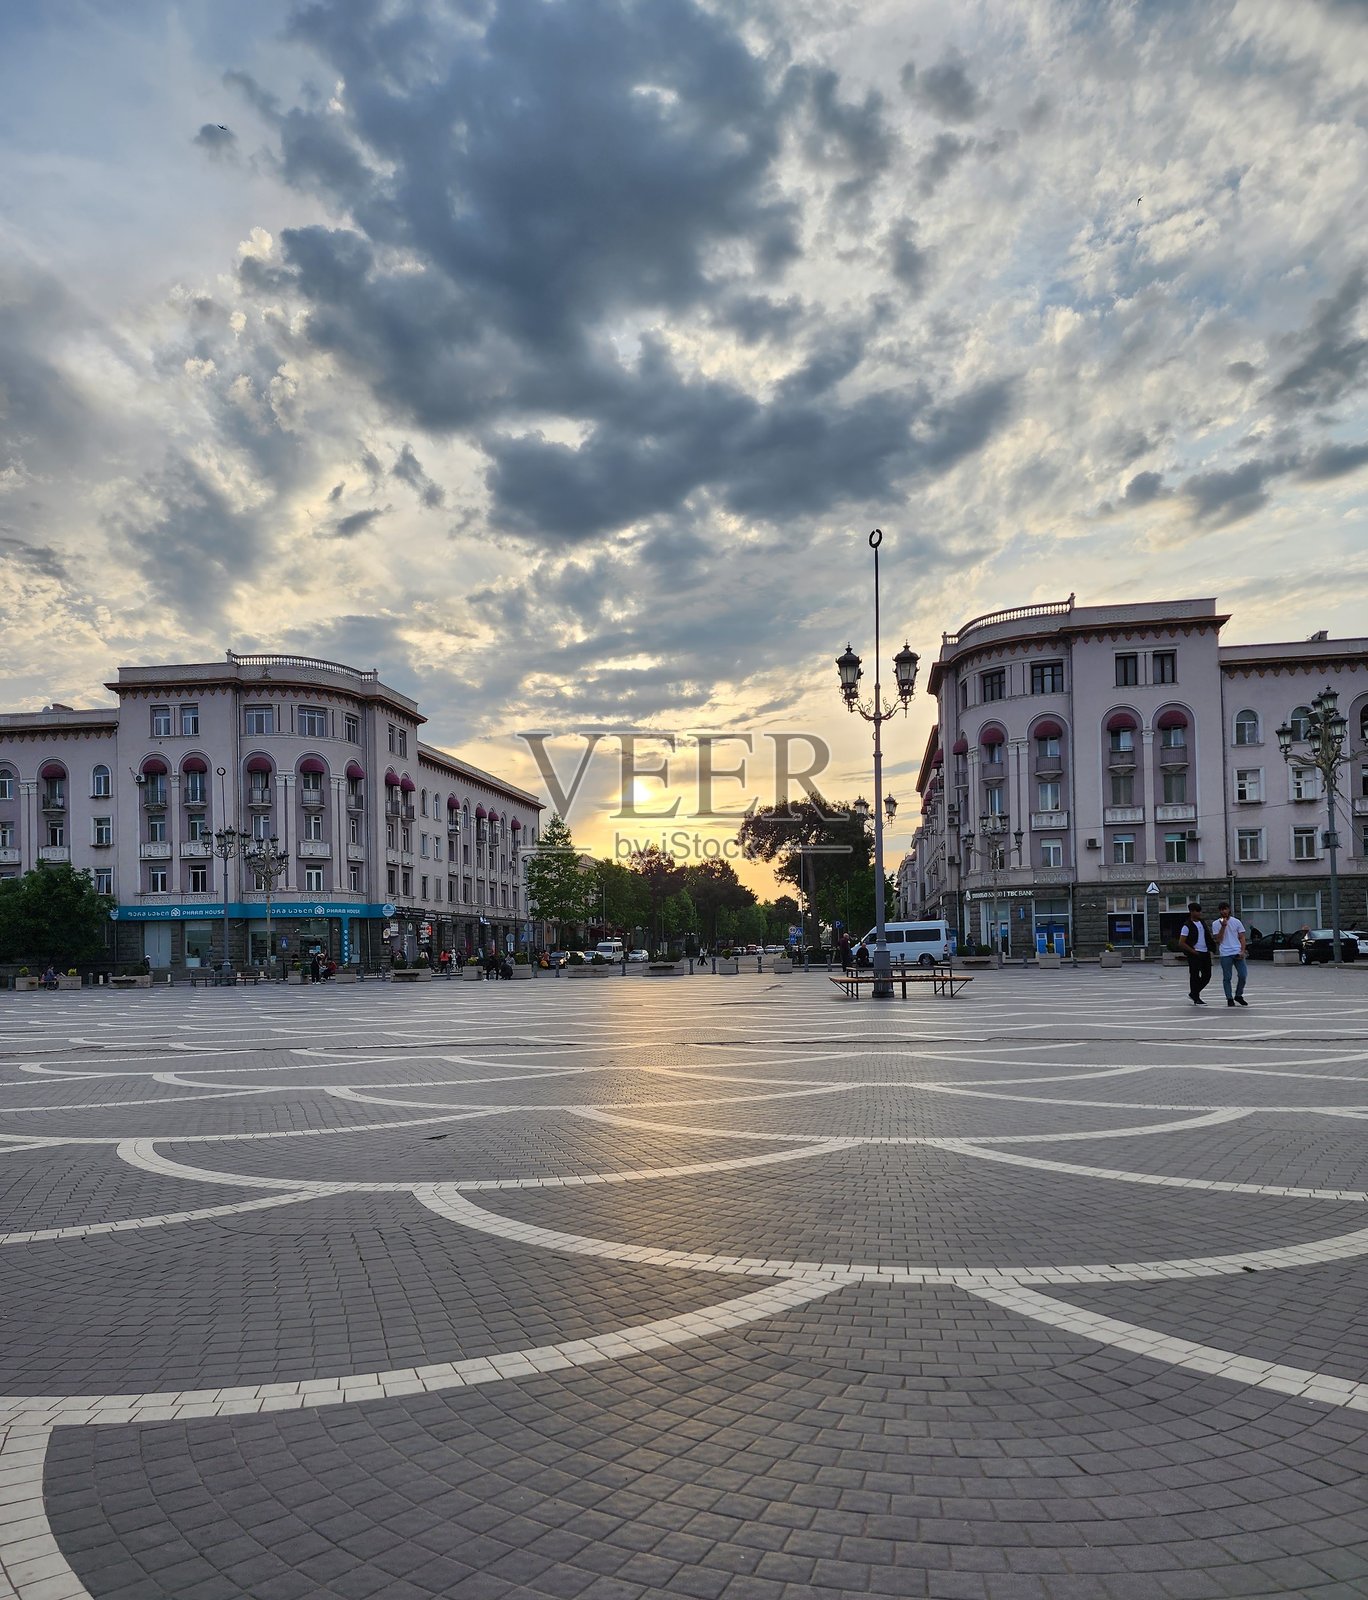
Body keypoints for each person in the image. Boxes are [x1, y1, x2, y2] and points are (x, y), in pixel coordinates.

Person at [1213, 901, 1249, 1006]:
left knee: (1243, 975)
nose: (1224, 911)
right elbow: (1218, 939)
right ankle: (1229, 998)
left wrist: (1242, 950)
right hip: (1225, 952)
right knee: (1227, 977)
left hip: (1237, 951)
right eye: (1222, 909)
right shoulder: (1216, 923)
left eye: (1225, 909)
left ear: (1229, 910)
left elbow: (1242, 937)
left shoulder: (1236, 922)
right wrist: (1223, 926)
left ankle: (1238, 995)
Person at [1176, 901, 1212, 1006]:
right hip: (1195, 954)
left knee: (1207, 975)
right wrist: (1193, 951)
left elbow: (1207, 935)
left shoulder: (1202, 922)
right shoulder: (1186, 926)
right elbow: (1181, 942)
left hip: (1205, 952)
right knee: (1194, 976)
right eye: (1197, 911)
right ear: (1191, 912)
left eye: (1200, 911)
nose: (1199, 913)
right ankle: (1196, 997)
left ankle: (1193, 993)